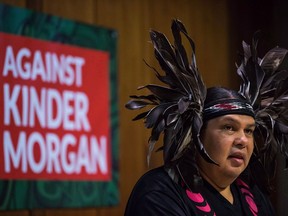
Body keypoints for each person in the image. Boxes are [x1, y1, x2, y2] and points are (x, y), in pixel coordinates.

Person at [125, 19, 288, 215]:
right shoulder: (159, 192)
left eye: (249, 130)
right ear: (197, 135)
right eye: (229, 127)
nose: (243, 140)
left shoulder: (254, 196)